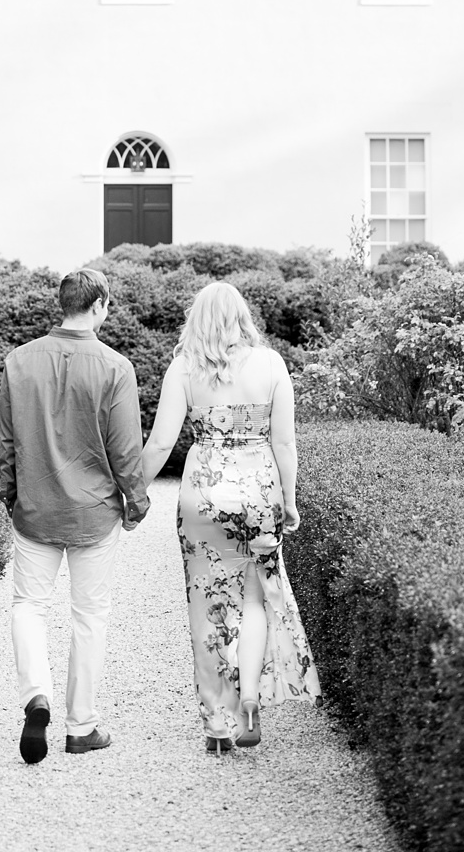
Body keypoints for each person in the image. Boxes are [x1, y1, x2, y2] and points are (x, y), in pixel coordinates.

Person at [139, 279, 321, 751]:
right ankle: (251, 700)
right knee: (256, 599)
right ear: (243, 316)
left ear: (196, 319)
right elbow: (284, 443)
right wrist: (290, 499)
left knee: (207, 606)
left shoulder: (183, 367)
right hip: (259, 495)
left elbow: (160, 443)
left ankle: (217, 724)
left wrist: (131, 491)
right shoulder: (271, 363)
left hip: (203, 497)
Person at [0, 266, 151, 762]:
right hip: (94, 511)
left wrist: (10, 495)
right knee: (90, 616)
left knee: (28, 606)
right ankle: (80, 726)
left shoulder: (18, 363)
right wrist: (137, 500)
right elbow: (126, 449)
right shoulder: (115, 368)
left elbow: (7, 443)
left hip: (35, 507)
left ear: (62, 304)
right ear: (100, 305)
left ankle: (34, 696)